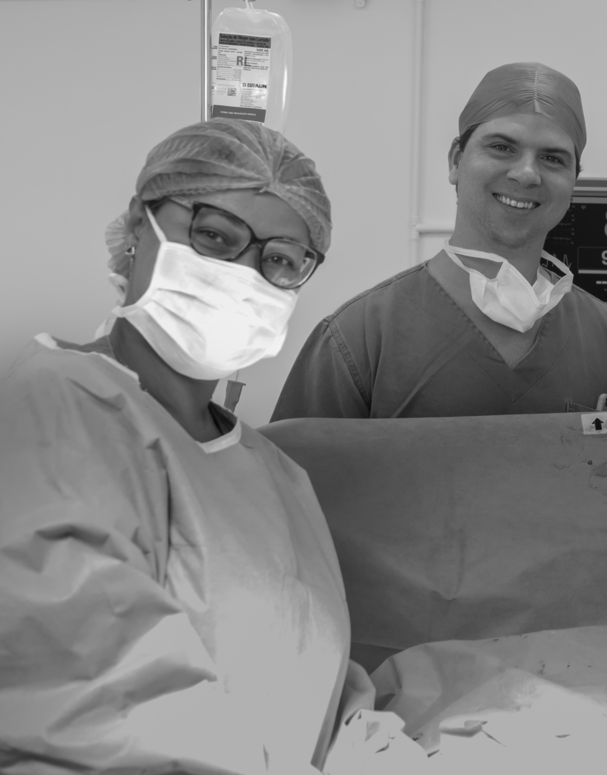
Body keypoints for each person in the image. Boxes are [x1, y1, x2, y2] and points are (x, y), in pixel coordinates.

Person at [0, 120, 424, 774]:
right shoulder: (56, 408)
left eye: (280, 260)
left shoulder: (277, 477)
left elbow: (327, 704)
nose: (243, 274)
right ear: (138, 226)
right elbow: (95, 705)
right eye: (216, 236)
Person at [271, 62, 607, 420]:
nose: (526, 174)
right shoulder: (358, 340)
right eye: (502, 147)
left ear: (574, 180)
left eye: (553, 158)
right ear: (456, 160)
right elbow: (288, 474)